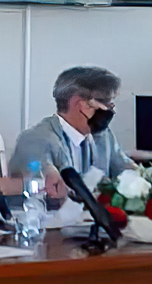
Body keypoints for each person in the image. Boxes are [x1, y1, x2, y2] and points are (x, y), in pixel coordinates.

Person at [9, 66, 134, 199]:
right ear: (80, 104)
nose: (111, 110)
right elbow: (35, 189)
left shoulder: (104, 135)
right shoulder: (35, 139)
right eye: (106, 103)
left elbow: (126, 171)